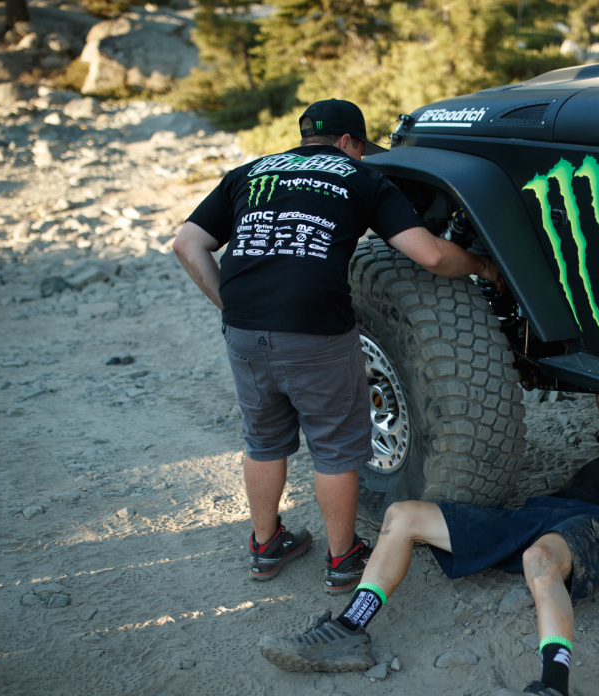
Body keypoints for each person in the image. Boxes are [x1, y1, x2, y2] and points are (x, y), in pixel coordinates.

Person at [257, 394, 599, 696]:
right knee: (403, 515)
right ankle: (349, 628)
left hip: (591, 523)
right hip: (536, 513)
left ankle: (555, 691)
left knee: (539, 561)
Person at [173, 98, 501, 592]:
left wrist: (230, 305)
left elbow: (186, 243)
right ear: (349, 143)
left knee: (262, 440)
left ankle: (265, 547)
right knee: (335, 448)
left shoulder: (250, 172)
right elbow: (430, 254)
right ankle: (343, 558)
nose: (362, 157)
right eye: (361, 149)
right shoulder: (361, 177)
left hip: (244, 329)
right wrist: (481, 266)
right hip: (315, 332)